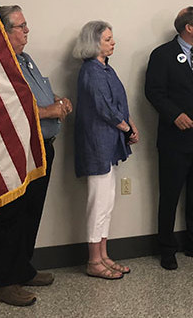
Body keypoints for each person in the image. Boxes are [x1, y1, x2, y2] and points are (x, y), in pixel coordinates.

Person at [0, 5, 72, 306]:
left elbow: (37, 98)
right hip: (16, 151)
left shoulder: (26, 60)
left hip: (41, 147)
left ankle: (22, 268)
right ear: (3, 30)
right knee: (10, 216)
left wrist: (57, 101)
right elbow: (6, 111)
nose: (27, 31)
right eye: (20, 26)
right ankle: (4, 283)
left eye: (26, 26)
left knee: (31, 212)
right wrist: (48, 111)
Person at [144, 6, 193, 270]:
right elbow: (153, 92)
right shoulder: (163, 55)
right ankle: (167, 248)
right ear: (188, 27)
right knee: (170, 194)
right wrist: (174, 114)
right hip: (176, 138)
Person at [73, 20, 138, 280]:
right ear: (93, 42)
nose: (113, 43)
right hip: (96, 145)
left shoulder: (105, 69)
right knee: (97, 203)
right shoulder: (90, 70)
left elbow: (119, 103)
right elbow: (104, 108)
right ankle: (93, 260)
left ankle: (103, 255)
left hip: (109, 144)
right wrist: (127, 128)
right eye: (108, 39)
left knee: (107, 202)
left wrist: (130, 124)